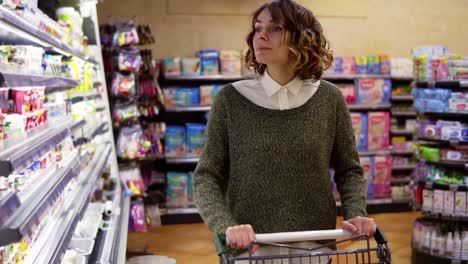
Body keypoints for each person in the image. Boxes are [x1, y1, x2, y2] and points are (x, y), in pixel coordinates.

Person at [193, 0, 377, 260]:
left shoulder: (329, 99)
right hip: (250, 250)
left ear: (303, 39)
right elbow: (206, 177)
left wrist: (356, 213)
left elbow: (349, 170)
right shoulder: (230, 100)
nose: (262, 35)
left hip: (315, 248)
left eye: (275, 28)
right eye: (258, 28)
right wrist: (225, 225)